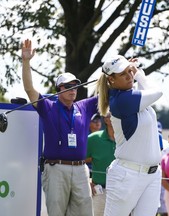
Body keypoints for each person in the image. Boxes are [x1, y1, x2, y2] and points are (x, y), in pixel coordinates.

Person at [21, 39, 97, 216]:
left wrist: (121, 72)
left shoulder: (84, 106)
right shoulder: (48, 106)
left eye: (76, 86)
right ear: (59, 89)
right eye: (69, 86)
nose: (73, 89)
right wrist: (26, 62)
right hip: (56, 169)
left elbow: (105, 93)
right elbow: (29, 89)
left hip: (81, 170)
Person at [96, 55, 163, 216]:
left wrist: (136, 71)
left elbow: (144, 90)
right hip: (127, 176)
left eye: (130, 71)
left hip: (152, 175)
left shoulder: (131, 96)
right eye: (123, 74)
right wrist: (139, 72)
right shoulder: (121, 100)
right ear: (111, 79)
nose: (129, 76)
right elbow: (157, 91)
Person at [86, 112, 116, 216]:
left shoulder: (129, 139)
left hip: (123, 192)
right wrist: (87, 181)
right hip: (100, 192)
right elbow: (77, 162)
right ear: (106, 119)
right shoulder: (93, 139)